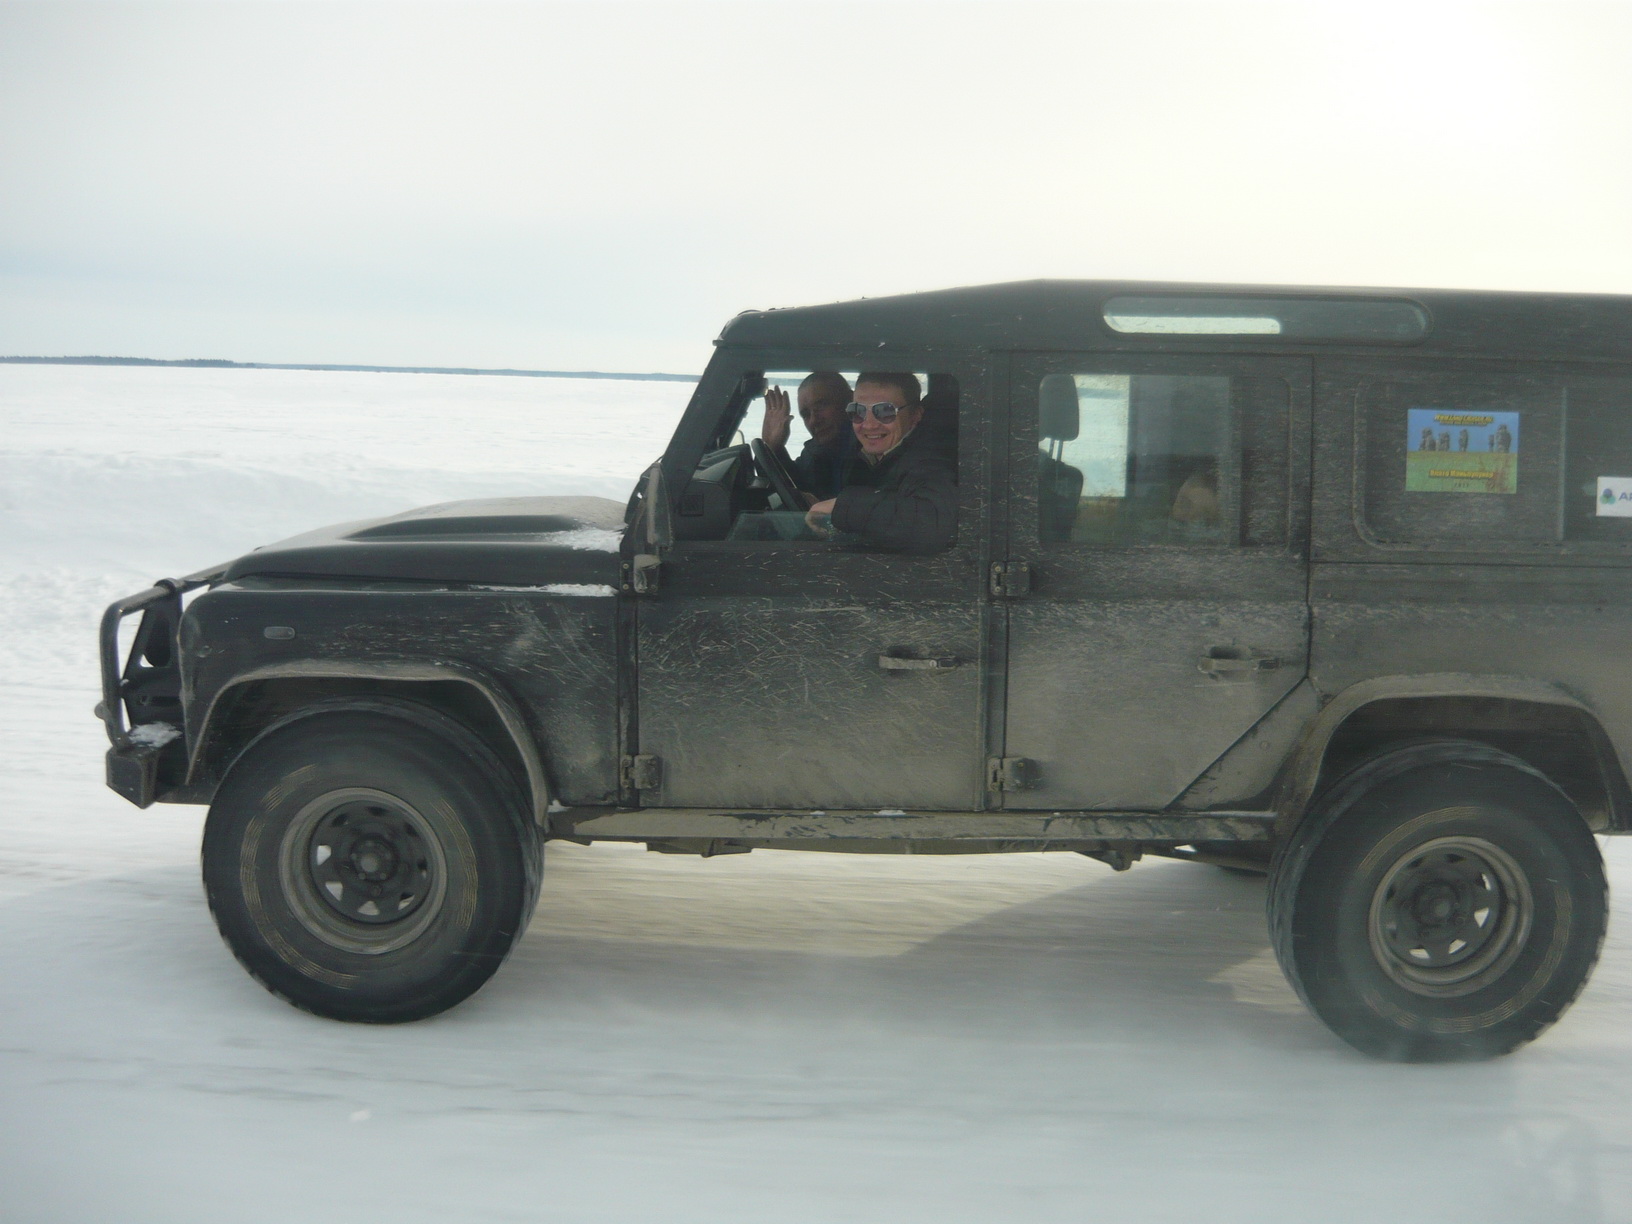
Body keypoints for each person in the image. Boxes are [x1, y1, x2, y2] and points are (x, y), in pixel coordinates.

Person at [804, 372, 956, 553]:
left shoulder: (931, 461)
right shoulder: (864, 455)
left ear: (915, 415)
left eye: (885, 411)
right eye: (858, 411)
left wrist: (844, 506)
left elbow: (934, 524)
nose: (868, 425)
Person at [761, 371, 855, 502]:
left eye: (821, 406)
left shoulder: (871, 450)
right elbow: (794, 485)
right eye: (805, 414)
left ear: (850, 401)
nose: (813, 420)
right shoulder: (815, 453)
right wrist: (773, 448)